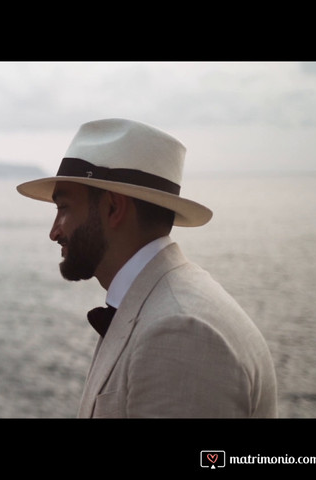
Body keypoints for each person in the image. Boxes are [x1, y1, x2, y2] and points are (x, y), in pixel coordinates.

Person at [17, 118, 278, 418]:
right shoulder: (158, 306)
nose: (54, 231)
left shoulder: (180, 332)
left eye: (63, 208)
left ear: (114, 209)